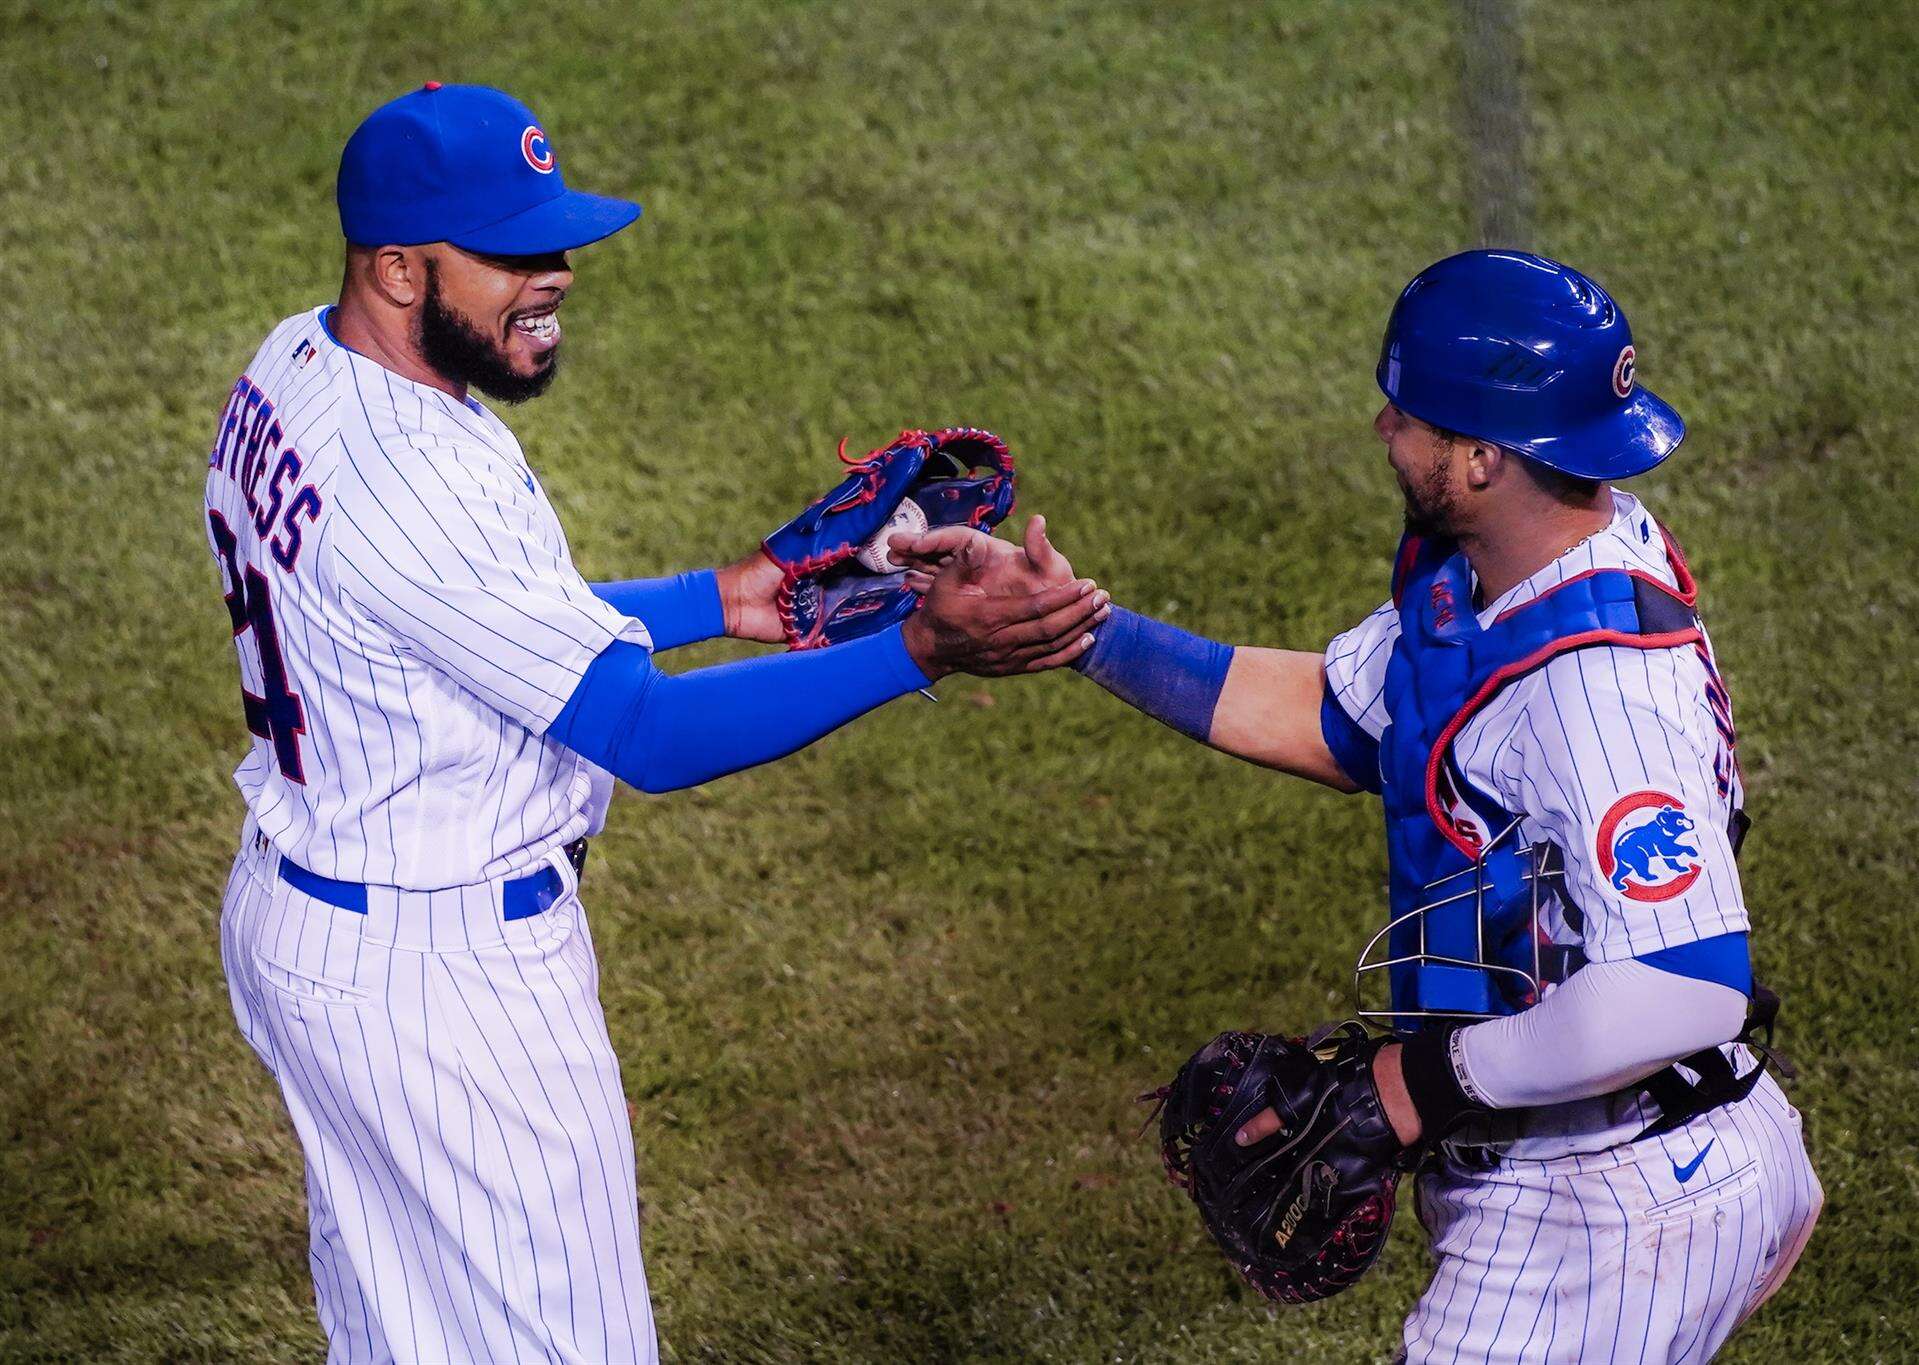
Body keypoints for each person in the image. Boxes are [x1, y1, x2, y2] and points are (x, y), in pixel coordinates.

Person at [203, 83, 1105, 1364]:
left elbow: (466, 612)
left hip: (319, 923)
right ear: (399, 272)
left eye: (556, 241)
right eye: (511, 253)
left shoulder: (297, 364)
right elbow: (650, 734)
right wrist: (923, 647)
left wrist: (726, 597)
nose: (556, 274)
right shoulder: (419, 477)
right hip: (444, 992)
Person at [896, 250, 1822, 1361]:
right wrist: (1081, 631)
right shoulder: (1506, 572)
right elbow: (1347, 720)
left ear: (1479, 458)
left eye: (1409, 413)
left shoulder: (1599, 688)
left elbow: (1686, 986)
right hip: (1624, 1151)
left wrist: (1405, 1088)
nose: (1383, 427)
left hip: (1605, 1204)